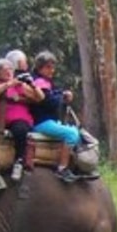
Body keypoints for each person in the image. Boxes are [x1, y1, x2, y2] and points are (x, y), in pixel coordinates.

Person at [0, 57, 43, 182]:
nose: (9, 72)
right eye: (5, 70)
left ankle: (19, 160)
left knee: (20, 130)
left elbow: (40, 97)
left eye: (10, 69)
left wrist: (32, 84)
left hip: (18, 118)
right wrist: (8, 85)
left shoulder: (19, 84)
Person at [30, 50, 83, 183]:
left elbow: (53, 94)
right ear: (39, 67)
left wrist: (62, 94)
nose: (51, 70)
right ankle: (62, 168)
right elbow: (49, 102)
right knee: (71, 134)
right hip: (41, 122)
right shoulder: (39, 83)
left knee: (76, 132)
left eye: (53, 67)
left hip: (48, 120)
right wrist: (61, 97)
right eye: (48, 67)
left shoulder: (46, 82)